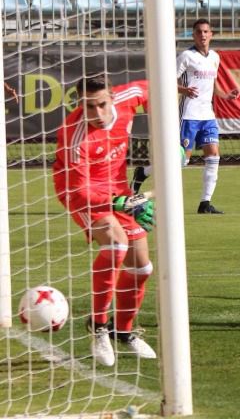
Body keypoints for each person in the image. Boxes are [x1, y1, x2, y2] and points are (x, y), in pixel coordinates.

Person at [53, 74, 158, 366]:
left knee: (142, 267)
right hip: (82, 195)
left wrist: (173, 140)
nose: (96, 114)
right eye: (88, 107)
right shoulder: (73, 135)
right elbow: (80, 190)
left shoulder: (129, 96)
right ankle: (98, 325)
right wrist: (117, 203)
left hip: (117, 188)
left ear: (113, 97)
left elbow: (158, 88)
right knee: (116, 244)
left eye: (101, 105)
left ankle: (123, 331)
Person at [132, 19, 240, 213]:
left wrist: (226, 95)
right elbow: (165, 81)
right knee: (181, 161)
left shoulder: (215, 57)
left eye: (206, 31)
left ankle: (205, 203)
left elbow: (213, 84)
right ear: (193, 35)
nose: (203, 35)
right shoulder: (186, 57)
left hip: (207, 115)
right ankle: (143, 172)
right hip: (188, 116)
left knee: (214, 155)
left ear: (211, 34)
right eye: (199, 32)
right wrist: (183, 89)